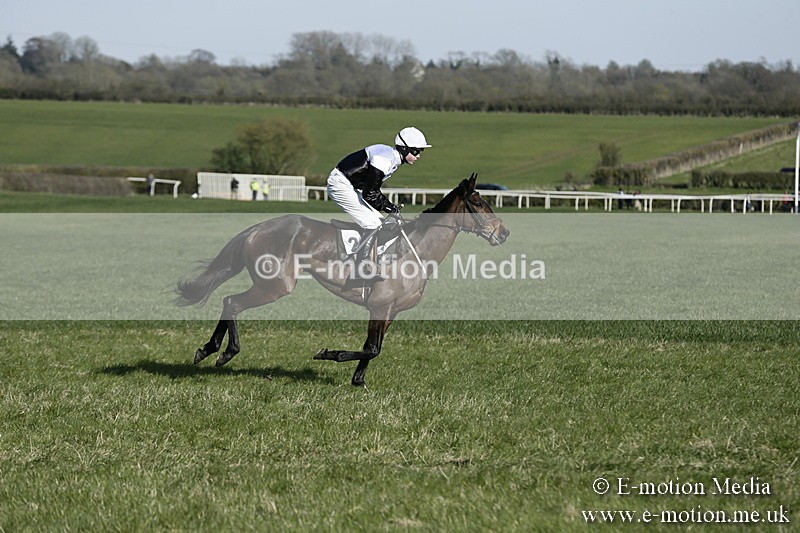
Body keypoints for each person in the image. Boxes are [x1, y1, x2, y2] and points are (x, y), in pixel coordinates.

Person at [327, 126, 431, 278]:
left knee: (380, 222)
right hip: (341, 184)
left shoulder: (392, 157)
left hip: (351, 185)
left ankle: (373, 259)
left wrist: (389, 207)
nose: (418, 156)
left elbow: (370, 190)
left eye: (420, 152)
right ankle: (362, 268)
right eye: (416, 151)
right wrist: (389, 207)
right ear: (404, 148)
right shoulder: (384, 159)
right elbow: (370, 193)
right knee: (373, 224)